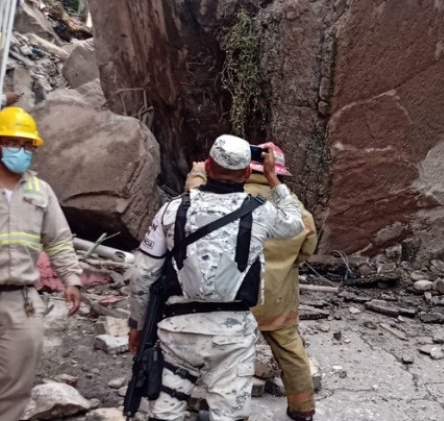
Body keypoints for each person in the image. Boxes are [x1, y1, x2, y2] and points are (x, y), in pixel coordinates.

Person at [126, 135, 304, 421]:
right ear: (247, 172)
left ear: (207, 165)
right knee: (228, 416)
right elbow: (294, 224)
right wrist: (273, 178)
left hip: (177, 332)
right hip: (231, 338)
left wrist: (137, 324)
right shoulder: (261, 212)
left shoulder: (172, 209)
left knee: (165, 414)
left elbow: (143, 274)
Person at [185, 143, 318, 421]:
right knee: (291, 351)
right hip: (277, 300)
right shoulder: (297, 213)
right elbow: (305, 251)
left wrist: (196, 173)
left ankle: (224, 411)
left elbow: (193, 206)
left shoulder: (228, 201)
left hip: (232, 298)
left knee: (226, 357)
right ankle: (302, 409)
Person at [0, 107, 82, 420]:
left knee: (16, 383)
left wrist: (71, 279)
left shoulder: (40, 191)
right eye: (12, 143)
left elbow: (59, 239)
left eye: (27, 145)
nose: (20, 151)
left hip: (21, 300)